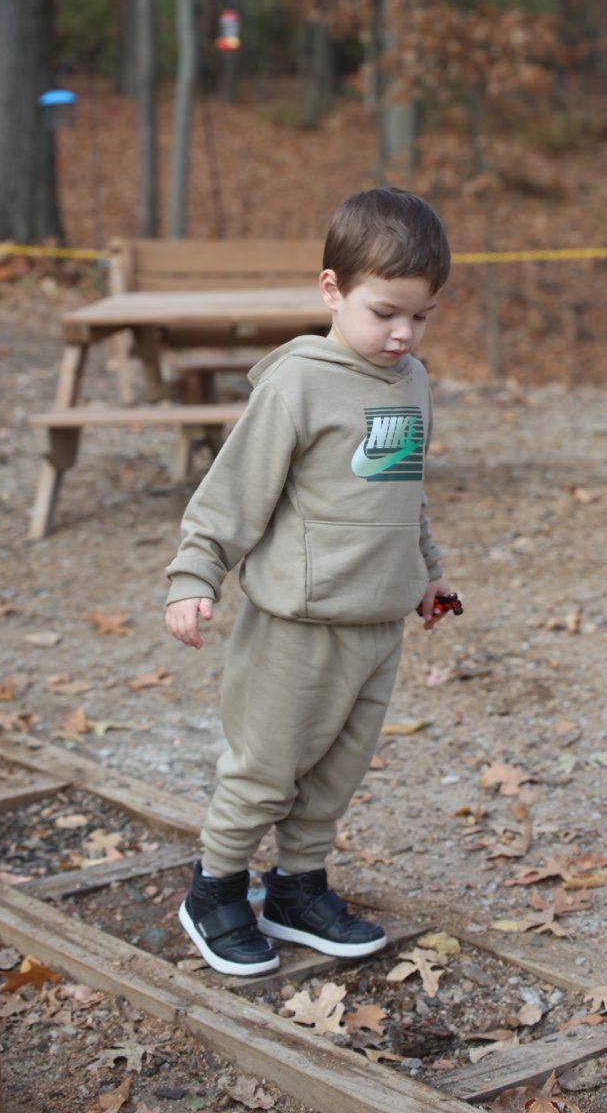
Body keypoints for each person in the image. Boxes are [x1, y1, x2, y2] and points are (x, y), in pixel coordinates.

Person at [165, 186, 456, 976]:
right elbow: (233, 492)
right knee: (264, 769)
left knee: (334, 775)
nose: (403, 333)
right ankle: (214, 891)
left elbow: (402, 492)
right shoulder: (297, 385)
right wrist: (196, 575)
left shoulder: (410, 382)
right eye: (385, 311)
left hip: (377, 623)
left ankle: (296, 888)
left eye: (421, 316)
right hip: (298, 625)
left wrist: (425, 573)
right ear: (333, 290)